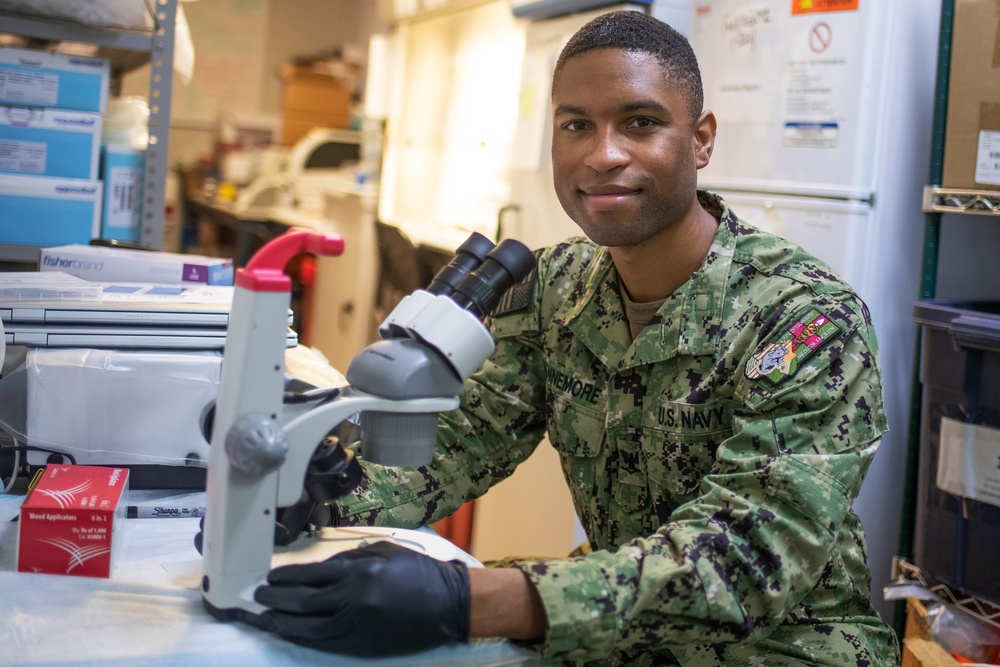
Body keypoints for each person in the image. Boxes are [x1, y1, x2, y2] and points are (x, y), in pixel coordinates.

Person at [252, 10, 900, 666]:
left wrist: (465, 598)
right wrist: (317, 500)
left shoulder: (806, 318)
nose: (603, 154)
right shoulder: (556, 283)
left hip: (780, 647)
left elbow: (748, 559)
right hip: (617, 628)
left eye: (640, 123)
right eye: (576, 126)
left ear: (701, 140)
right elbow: (465, 439)